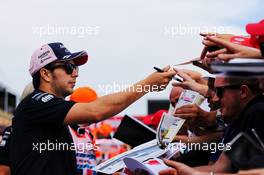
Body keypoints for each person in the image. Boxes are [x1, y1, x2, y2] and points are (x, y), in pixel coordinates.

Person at [10, 42, 176, 175]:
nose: (75, 74)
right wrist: (146, 85)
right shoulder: (36, 103)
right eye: (68, 67)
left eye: (76, 68)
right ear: (45, 74)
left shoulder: (49, 112)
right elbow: (96, 112)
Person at [159, 75, 264, 174]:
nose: (215, 98)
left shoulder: (257, 112)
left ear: (243, 92)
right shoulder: (237, 117)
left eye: (219, 91)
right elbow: (221, 167)